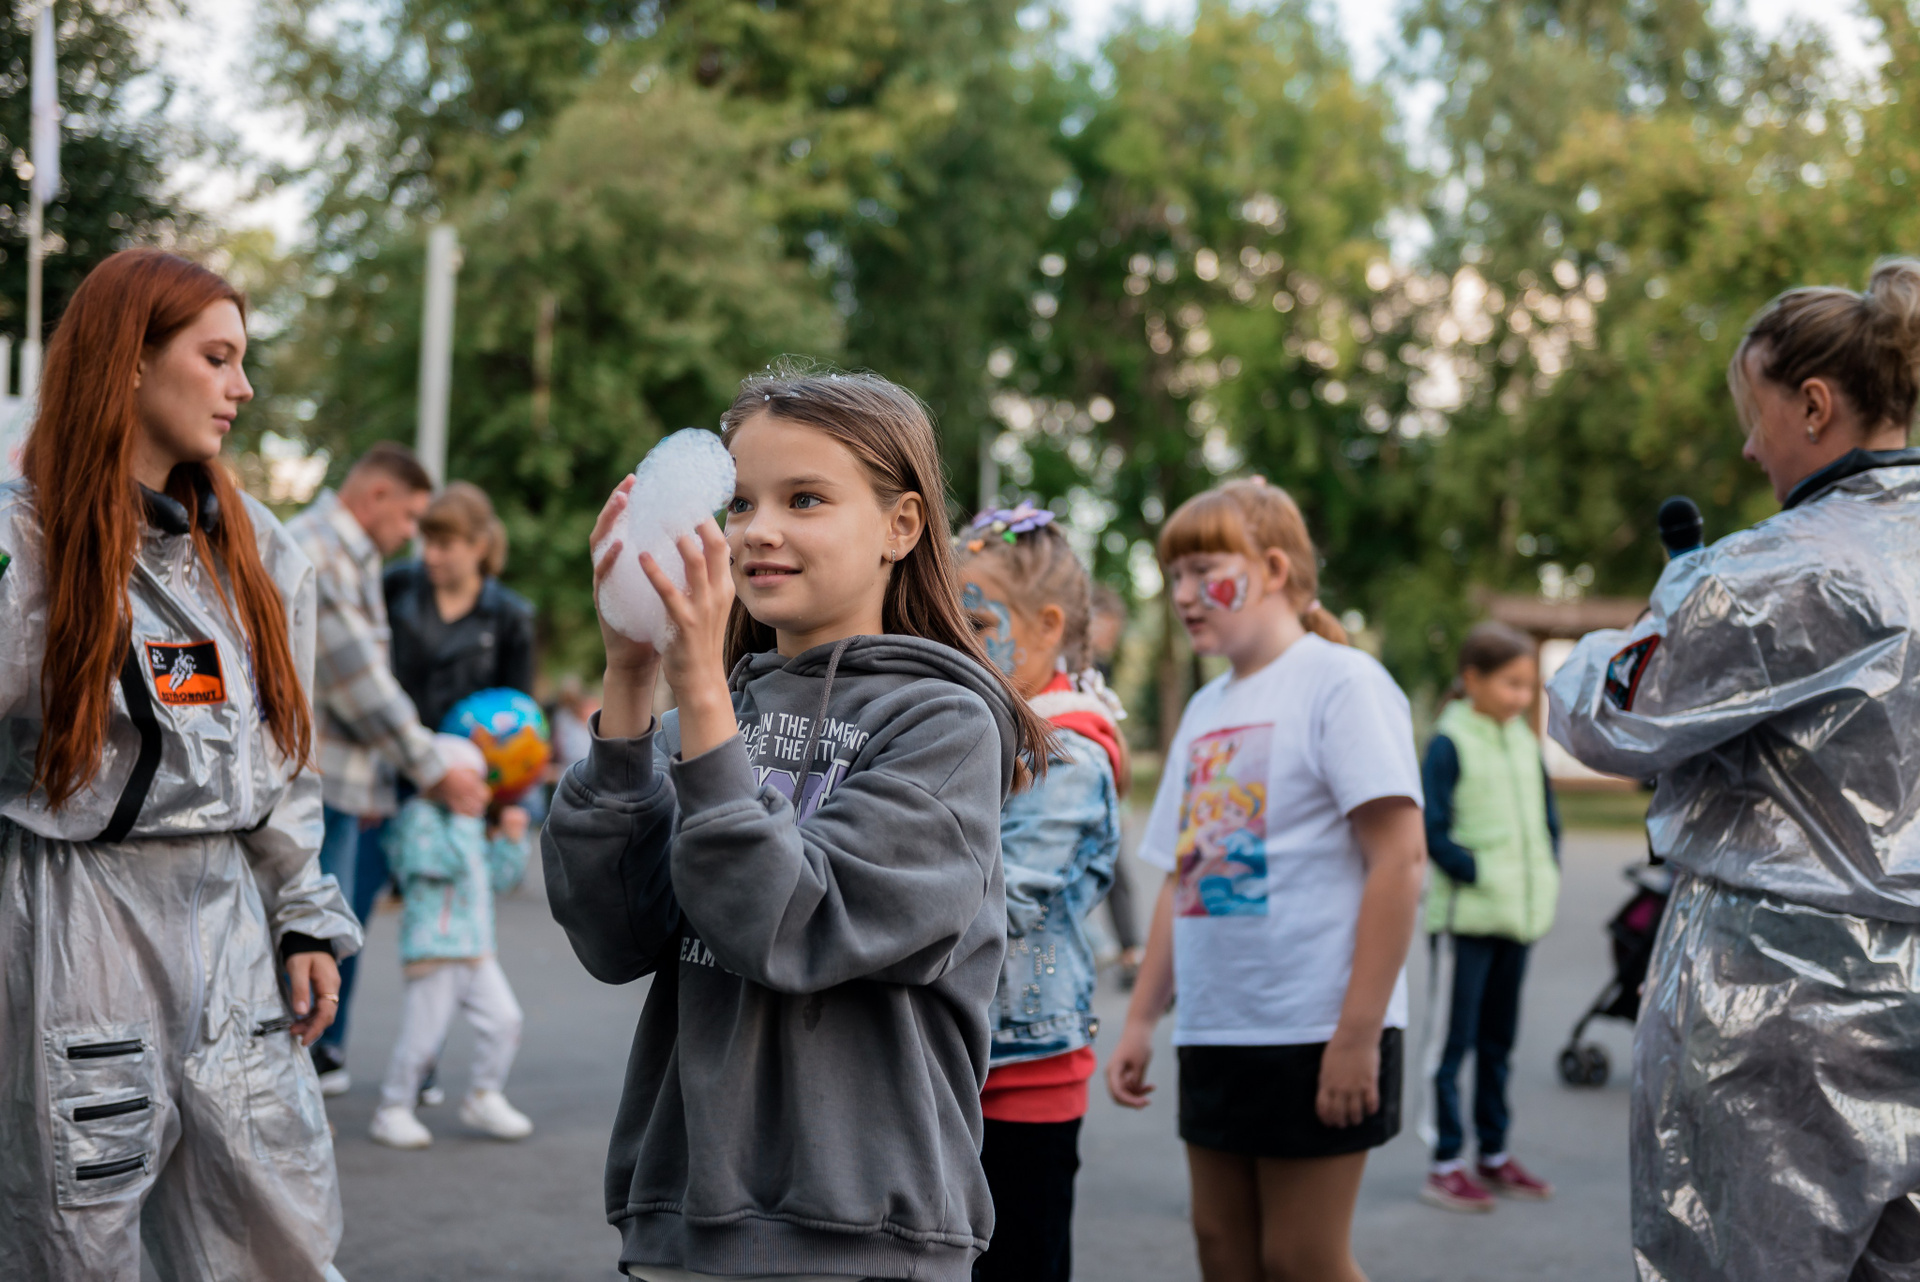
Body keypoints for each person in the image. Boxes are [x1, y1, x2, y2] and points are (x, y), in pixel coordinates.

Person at [542, 367, 1054, 1282]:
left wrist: (700, 694)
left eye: (805, 499)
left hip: (860, 1234)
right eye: (740, 503)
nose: (758, 530)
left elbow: (789, 925)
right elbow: (614, 934)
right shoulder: (704, 719)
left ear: (901, 526)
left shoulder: (943, 725)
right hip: (682, 1220)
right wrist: (631, 677)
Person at [1549, 260, 1920, 1282]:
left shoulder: (1773, 570)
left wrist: (1646, 623)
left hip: (1775, 1004)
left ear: (1815, 405)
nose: (1751, 447)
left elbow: (1607, 716)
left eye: (1756, 416)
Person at [0, 248, 360, 1279]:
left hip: (231, 926)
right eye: (217, 357)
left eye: (243, 361)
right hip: (78, 927)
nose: (242, 388)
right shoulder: (28, 538)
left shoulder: (256, 550)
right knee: (78, 1230)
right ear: (129, 360)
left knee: (275, 1226)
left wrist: (303, 914)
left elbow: (282, 755)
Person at [1106, 477, 1427, 1282]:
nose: (1183, 594)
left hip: (1317, 1029)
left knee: (1301, 1259)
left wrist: (1356, 1037)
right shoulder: (1205, 710)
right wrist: (1142, 1020)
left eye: (1203, 571)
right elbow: (1185, 878)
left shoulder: (1343, 683)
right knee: (1223, 1249)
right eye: (1174, 576)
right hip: (1218, 1028)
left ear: (1275, 569)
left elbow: (1400, 861)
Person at [287, 443, 491, 1094]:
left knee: (330, 933)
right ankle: (293, 1077)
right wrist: (436, 771)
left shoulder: (346, 554)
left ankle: (304, 1069)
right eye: (408, 518)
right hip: (317, 788)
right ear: (376, 496)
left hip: (343, 784)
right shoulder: (320, 552)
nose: (411, 536)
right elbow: (361, 687)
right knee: (311, 942)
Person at [957, 504, 1124, 1282]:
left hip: (1025, 1072)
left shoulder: (1068, 753)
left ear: (1048, 626)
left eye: (977, 621)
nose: (958, 640)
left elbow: (1005, 901)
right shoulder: (990, 722)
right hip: (963, 1059)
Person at [1417, 621, 1559, 1213]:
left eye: (1529, 686)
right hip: (1465, 921)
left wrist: (1547, 868)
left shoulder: (1524, 740)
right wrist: (1476, 871)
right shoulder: (1449, 741)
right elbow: (1430, 828)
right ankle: (1445, 1162)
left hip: (1517, 918)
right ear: (1472, 679)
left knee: (1499, 1044)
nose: (1522, 697)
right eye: (1511, 684)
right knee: (1452, 1047)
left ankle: (1494, 1153)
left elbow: (1547, 819)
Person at [369, 734, 534, 1149]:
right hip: (435, 949)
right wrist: (463, 820)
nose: (478, 790)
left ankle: (484, 1095)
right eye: (469, 780)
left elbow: (499, 879)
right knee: (423, 1039)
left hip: (476, 949)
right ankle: (393, 1109)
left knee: (505, 1021)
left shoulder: (468, 823)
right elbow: (438, 864)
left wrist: (512, 842)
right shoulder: (418, 818)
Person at [385, 480, 536, 734]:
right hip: (392, 745)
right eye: (427, 542)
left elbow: (516, 712)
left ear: (479, 547)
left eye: (444, 545)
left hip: (466, 753)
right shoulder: (397, 586)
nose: (430, 556)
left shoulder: (512, 617)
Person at [1089, 582, 1146, 982]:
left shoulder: (1101, 666)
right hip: (1088, 779)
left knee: (1114, 870)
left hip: (1105, 781)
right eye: (1106, 626)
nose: (1111, 637)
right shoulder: (1073, 667)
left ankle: (1127, 949)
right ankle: (1111, 947)